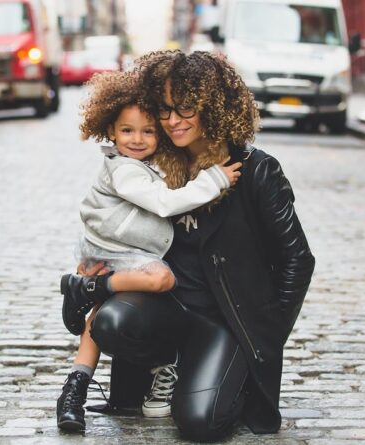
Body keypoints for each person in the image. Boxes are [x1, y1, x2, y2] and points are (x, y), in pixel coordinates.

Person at [84, 50, 316, 441]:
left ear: (214, 106)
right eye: (166, 109)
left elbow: (298, 259)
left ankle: (225, 375)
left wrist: (265, 338)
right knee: (111, 323)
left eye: (186, 108)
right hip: (169, 307)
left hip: (224, 319)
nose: (173, 121)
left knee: (198, 423)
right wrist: (96, 266)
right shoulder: (156, 163)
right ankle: (169, 365)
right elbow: (111, 220)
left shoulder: (256, 170)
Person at [56, 70, 242, 432]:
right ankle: (95, 290)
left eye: (148, 131)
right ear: (110, 131)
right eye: (127, 131)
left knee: (99, 314)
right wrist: (215, 179)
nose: (138, 139)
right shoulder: (124, 170)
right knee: (161, 278)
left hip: (113, 248)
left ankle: (73, 388)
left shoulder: (144, 164)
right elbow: (163, 203)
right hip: (119, 250)